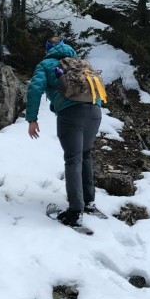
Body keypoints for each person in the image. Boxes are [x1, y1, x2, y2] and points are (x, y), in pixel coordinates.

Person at [26, 36, 103, 227]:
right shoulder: (81, 63)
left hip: (70, 115)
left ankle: (75, 211)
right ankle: (89, 202)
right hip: (94, 112)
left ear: (48, 49)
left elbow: (35, 89)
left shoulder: (46, 64)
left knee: (73, 159)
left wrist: (32, 119)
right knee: (85, 155)